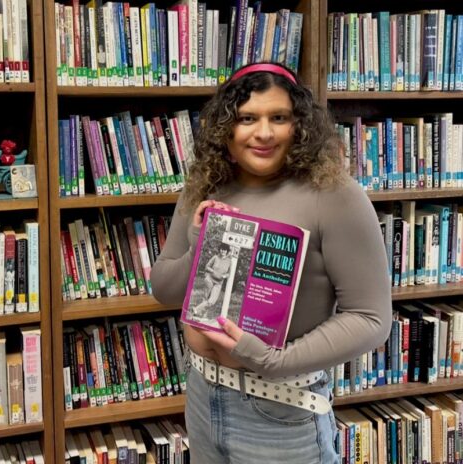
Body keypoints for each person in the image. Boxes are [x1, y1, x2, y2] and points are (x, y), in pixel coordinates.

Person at [150, 62, 391, 463]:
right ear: (226, 127)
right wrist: (198, 247)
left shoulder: (335, 195)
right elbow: (164, 290)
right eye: (247, 118)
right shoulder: (204, 185)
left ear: (300, 125)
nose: (263, 133)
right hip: (202, 395)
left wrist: (272, 360)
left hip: (280, 409)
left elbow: (370, 318)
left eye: (278, 117)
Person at [192, 242, 234, 318]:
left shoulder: (229, 261)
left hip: (218, 283)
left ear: (227, 251)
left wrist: (225, 276)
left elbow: (229, 273)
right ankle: (202, 315)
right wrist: (212, 271)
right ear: (219, 250)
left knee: (212, 301)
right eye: (221, 250)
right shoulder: (215, 257)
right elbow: (206, 266)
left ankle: (196, 309)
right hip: (210, 279)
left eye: (224, 250)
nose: (222, 251)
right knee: (206, 297)